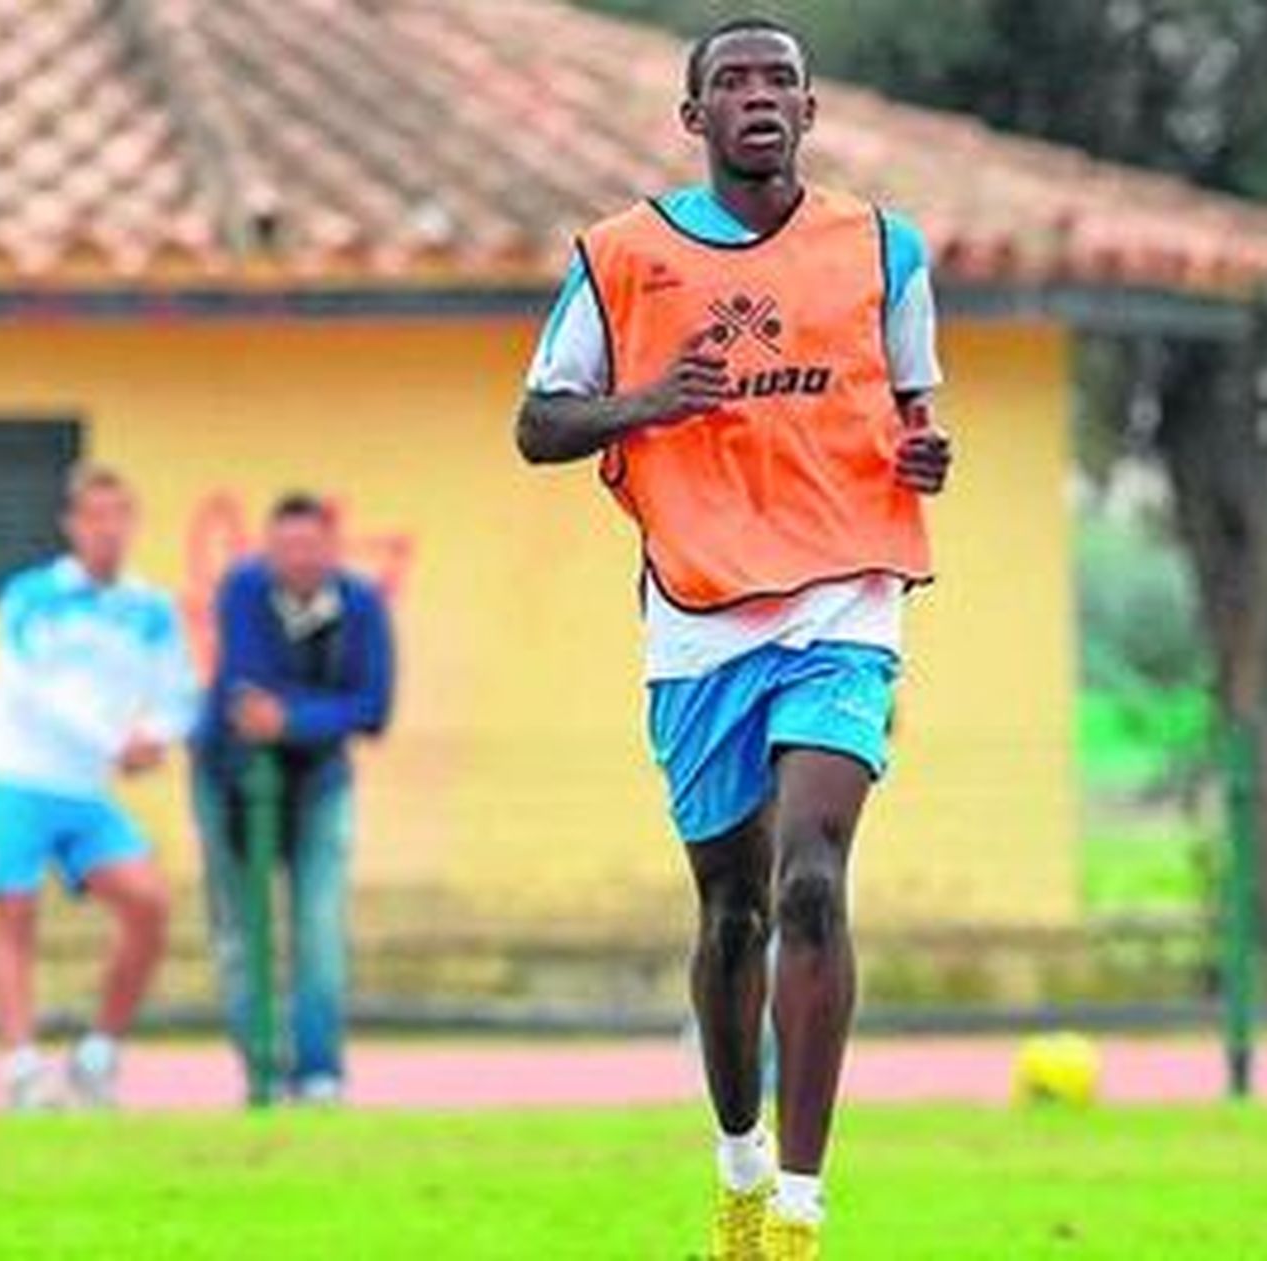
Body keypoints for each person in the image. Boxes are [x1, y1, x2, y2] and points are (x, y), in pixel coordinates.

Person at [515, 16, 953, 1259]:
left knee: (812, 877)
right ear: (691, 117)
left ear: (809, 113)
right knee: (733, 915)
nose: (757, 98)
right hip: (700, 617)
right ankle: (739, 1165)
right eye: (732, 83)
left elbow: (912, 415)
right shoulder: (621, 259)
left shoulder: (883, 250)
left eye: (779, 82)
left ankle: (802, 1210)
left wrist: (926, 454)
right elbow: (539, 427)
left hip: (843, 598)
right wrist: (650, 404)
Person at [0, 464, 197, 1111]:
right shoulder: (30, 596)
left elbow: (180, 691)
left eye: (119, 514)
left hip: (86, 791)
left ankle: (98, 1053)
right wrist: (111, 740)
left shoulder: (150, 608)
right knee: (14, 910)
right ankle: (21, 1067)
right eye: (94, 515)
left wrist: (156, 733)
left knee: (148, 902)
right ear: (71, 524)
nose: (107, 528)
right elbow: (31, 687)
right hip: (14, 774)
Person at [192, 493, 394, 1104]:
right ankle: (263, 1069)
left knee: (319, 929)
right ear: (268, 549)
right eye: (285, 547)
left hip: (319, 783)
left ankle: (318, 1072)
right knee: (238, 931)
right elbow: (246, 690)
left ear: (333, 548)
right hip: (228, 781)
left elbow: (373, 706)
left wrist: (295, 720)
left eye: (311, 546)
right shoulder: (243, 590)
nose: (299, 559)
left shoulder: (361, 605)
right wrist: (309, 713)